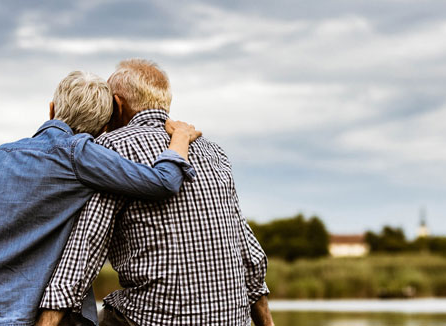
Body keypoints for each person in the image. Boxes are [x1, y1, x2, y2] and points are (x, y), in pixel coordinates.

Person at [0, 70, 203, 326]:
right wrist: (179, 138)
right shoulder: (81, 155)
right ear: (104, 128)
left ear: (52, 110)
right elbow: (164, 182)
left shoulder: (1, 154)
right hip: (15, 314)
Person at [37, 59, 275, 326]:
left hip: (153, 319)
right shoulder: (214, 152)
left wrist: (47, 320)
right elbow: (250, 255)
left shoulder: (109, 148)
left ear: (117, 105)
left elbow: (84, 249)